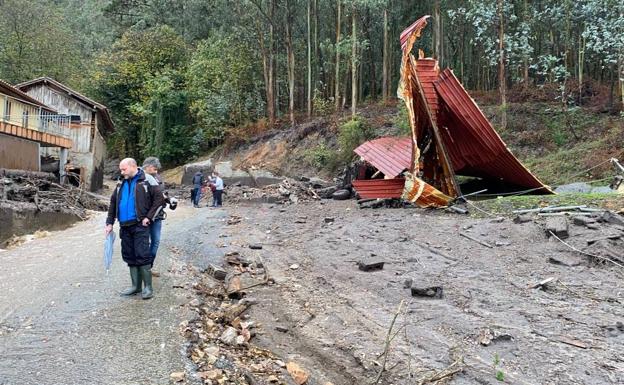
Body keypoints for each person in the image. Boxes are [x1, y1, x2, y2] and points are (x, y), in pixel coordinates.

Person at [105, 158, 164, 300]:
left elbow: (159, 200)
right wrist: (109, 223)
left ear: (133, 166)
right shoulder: (120, 183)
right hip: (124, 226)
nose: (121, 172)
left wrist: (148, 218)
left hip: (139, 225)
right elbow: (113, 203)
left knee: (142, 255)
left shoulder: (147, 180)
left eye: (123, 169)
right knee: (129, 256)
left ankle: (148, 288)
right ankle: (135, 286)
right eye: (121, 169)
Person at [142, 157, 177, 276]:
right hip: (144, 216)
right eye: (154, 167)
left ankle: (148, 267)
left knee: (155, 241)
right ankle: (142, 269)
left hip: (158, 215)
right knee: (143, 242)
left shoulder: (158, 177)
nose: (157, 169)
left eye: (157, 168)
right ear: (146, 166)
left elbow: (163, 194)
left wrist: (169, 200)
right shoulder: (139, 178)